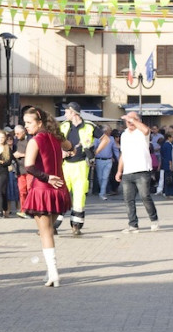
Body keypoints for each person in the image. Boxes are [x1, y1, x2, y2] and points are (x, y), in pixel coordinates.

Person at [21, 108, 72, 287]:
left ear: (39, 122)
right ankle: (49, 271)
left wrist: (47, 177)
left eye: (29, 122)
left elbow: (29, 167)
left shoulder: (35, 140)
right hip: (58, 189)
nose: (25, 126)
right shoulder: (56, 138)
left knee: (45, 233)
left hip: (42, 189)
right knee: (49, 231)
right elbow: (70, 147)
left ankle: (54, 273)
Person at [57, 102, 109, 235]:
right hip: (65, 164)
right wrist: (60, 152)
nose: (65, 114)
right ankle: (54, 223)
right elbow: (56, 142)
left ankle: (76, 225)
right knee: (61, 193)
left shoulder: (89, 126)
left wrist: (94, 152)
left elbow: (105, 139)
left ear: (74, 112)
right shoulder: (64, 126)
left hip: (81, 164)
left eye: (67, 112)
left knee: (79, 195)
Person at [115, 112, 159, 233]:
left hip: (142, 170)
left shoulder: (142, 132)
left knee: (145, 196)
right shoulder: (124, 135)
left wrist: (133, 120)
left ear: (138, 120)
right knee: (128, 199)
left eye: (133, 119)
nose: (129, 122)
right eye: (127, 120)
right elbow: (122, 154)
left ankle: (154, 219)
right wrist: (119, 171)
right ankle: (133, 225)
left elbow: (145, 130)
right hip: (128, 171)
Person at [94, 127, 120, 200]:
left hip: (108, 160)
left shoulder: (111, 139)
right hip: (99, 160)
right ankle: (102, 191)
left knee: (105, 177)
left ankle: (102, 193)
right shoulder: (97, 138)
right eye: (109, 131)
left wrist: (118, 159)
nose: (110, 132)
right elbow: (94, 147)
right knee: (100, 177)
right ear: (104, 131)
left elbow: (115, 149)